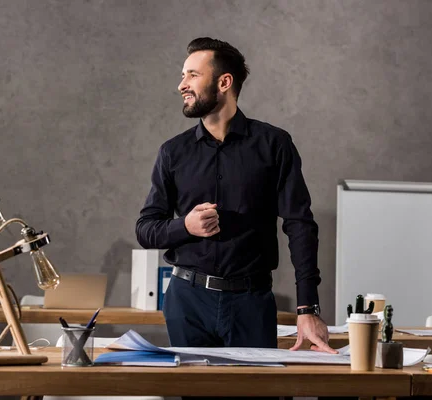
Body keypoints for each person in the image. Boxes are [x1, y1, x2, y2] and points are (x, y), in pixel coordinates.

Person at [135, 37, 335, 357]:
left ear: (224, 82)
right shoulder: (172, 152)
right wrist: (185, 226)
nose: (181, 85)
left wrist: (307, 308)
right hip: (186, 302)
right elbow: (145, 229)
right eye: (183, 75)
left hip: (252, 303)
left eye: (192, 75)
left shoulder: (274, 144)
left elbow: (300, 225)